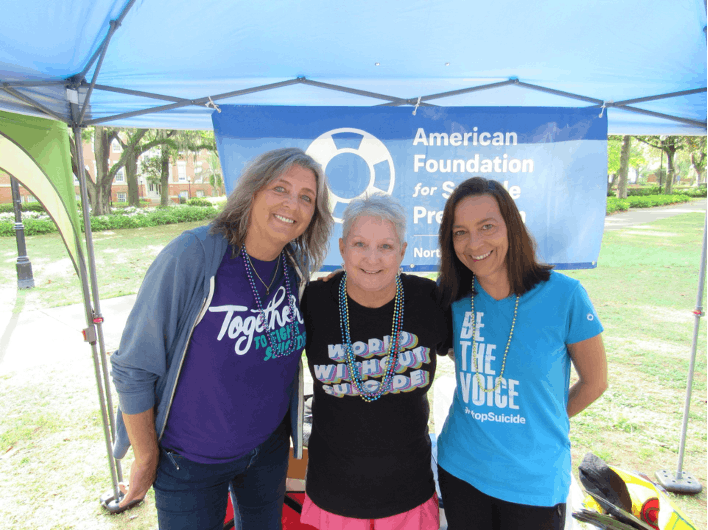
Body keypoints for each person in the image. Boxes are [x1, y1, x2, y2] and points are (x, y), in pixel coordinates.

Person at [109, 147, 333, 530]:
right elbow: (133, 367)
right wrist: (146, 458)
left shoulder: (293, 266)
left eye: (306, 197)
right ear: (253, 190)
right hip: (188, 463)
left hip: (267, 452)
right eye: (280, 188)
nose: (292, 205)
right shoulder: (194, 255)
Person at [436, 177, 608, 530]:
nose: (475, 243)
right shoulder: (450, 296)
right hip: (461, 469)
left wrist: (542, 423)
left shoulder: (565, 296)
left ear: (511, 228)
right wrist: (340, 283)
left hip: (535, 482)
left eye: (487, 227)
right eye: (460, 232)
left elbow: (595, 382)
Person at [299, 194, 448, 530]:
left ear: (403, 251)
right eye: (360, 244)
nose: (371, 258)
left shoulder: (430, 299)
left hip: (409, 492)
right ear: (342, 248)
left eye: (386, 246)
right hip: (333, 491)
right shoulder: (313, 300)